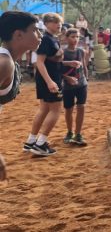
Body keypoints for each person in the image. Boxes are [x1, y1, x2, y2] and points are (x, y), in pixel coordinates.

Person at [25, 13, 82, 156]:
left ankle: (31, 141)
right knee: (56, 110)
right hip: (50, 79)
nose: (59, 24)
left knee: (44, 109)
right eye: (56, 22)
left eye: (60, 22)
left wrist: (69, 63)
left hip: (50, 78)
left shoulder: (51, 39)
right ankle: (40, 144)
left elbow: (53, 61)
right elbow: (40, 62)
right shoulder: (46, 39)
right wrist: (50, 81)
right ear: (47, 23)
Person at [0, 11, 42, 180]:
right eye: (35, 30)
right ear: (18, 34)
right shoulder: (4, 63)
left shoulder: (9, 60)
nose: (39, 35)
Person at [61, 28, 89, 146]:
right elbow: (58, 68)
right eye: (73, 37)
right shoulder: (63, 52)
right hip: (67, 86)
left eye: (77, 37)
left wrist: (86, 79)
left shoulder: (80, 51)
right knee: (69, 109)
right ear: (67, 38)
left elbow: (84, 65)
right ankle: (69, 132)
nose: (76, 39)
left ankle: (78, 133)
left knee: (81, 107)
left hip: (81, 84)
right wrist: (67, 79)